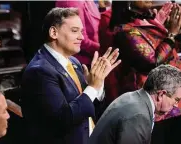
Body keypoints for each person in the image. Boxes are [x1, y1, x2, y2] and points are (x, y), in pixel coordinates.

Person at [21, 7, 121, 144]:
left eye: (81, 32)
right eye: (75, 31)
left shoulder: (74, 62)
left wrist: (99, 82)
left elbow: (91, 110)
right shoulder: (40, 71)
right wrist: (92, 87)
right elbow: (62, 120)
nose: (81, 37)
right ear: (54, 32)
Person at [102, 0, 181, 120]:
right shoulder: (124, 30)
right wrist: (171, 34)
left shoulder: (149, 20)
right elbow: (153, 62)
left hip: (172, 91)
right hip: (154, 100)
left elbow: (170, 49)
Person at [89, 64, 181, 144]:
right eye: (176, 100)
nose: (176, 105)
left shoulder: (132, 97)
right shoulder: (139, 115)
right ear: (161, 94)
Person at [56, 0, 100, 67]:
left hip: (92, 58)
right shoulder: (72, 2)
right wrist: (102, 48)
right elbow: (78, 37)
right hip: (80, 63)